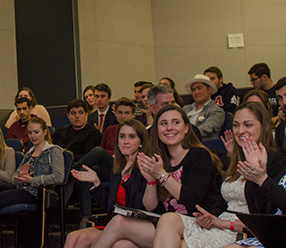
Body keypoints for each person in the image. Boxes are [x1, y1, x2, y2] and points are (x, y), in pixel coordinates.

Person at [154, 100, 286, 248]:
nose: (240, 131)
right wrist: (210, 217)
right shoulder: (235, 161)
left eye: (248, 125)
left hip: (240, 229)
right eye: (236, 125)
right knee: (168, 220)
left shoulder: (274, 161)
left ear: (265, 127)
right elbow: (221, 200)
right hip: (218, 221)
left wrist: (260, 178)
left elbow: (266, 213)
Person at [90, 105, 225, 248]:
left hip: (198, 224)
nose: (169, 128)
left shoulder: (198, 155)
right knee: (123, 245)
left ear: (186, 128)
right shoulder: (160, 159)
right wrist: (150, 182)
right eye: (163, 124)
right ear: (157, 130)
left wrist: (162, 175)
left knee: (120, 222)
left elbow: (192, 199)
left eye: (176, 122)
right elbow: (150, 207)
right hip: (165, 225)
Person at [0, 117, 64, 248]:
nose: (33, 136)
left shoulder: (54, 151)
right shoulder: (29, 153)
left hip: (38, 193)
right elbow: (14, 177)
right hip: (22, 189)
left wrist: (32, 180)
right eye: (30, 133)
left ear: (44, 132)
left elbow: (59, 177)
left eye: (36, 132)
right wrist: (20, 177)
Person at [64, 119, 150, 248]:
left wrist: (127, 179)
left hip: (137, 226)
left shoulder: (146, 168)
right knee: (72, 237)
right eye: (122, 137)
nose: (125, 141)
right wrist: (96, 183)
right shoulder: (117, 168)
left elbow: (140, 208)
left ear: (141, 142)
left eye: (132, 137)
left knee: (84, 238)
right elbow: (109, 208)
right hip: (114, 223)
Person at [52, 99, 102, 222]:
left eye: (80, 112)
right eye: (73, 113)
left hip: (84, 167)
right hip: (62, 166)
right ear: (68, 115)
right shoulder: (60, 132)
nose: (77, 116)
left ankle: (84, 219)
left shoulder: (93, 133)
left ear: (86, 114)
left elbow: (89, 156)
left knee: (82, 171)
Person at [183, 74, 225, 141]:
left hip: (203, 146)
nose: (196, 92)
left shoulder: (217, 111)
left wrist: (182, 135)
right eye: (193, 90)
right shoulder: (185, 109)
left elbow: (206, 129)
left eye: (199, 88)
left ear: (209, 90)